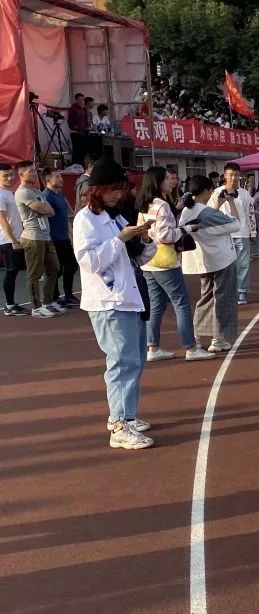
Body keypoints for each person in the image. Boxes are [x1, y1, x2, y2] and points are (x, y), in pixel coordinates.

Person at [73, 156, 157, 448]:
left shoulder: (116, 217)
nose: (119, 194)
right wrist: (120, 239)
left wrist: (144, 240)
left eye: (121, 189)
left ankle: (125, 417)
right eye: (114, 189)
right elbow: (89, 261)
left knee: (134, 360)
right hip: (108, 301)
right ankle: (120, 424)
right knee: (122, 362)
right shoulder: (86, 219)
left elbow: (137, 258)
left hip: (128, 298)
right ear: (98, 189)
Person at [136, 165, 213, 361]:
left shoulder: (144, 204)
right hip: (165, 260)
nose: (171, 182)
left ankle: (152, 347)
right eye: (167, 179)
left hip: (148, 260)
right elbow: (166, 236)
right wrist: (186, 229)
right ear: (158, 182)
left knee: (156, 304)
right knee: (181, 303)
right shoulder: (162, 205)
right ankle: (191, 347)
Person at [179, 175, 240, 353]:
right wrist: (231, 202)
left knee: (206, 298)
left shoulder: (187, 211)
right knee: (224, 298)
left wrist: (218, 205)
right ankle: (219, 339)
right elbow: (235, 224)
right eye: (211, 190)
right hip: (222, 259)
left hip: (203, 260)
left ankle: (197, 337)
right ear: (206, 191)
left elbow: (209, 222)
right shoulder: (206, 212)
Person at [15, 164, 64, 318]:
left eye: (35, 170)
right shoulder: (23, 192)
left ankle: (48, 302)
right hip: (33, 237)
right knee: (35, 273)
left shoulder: (37, 191)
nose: (34, 173)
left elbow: (51, 211)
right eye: (30, 171)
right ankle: (36, 307)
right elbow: (44, 209)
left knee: (54, 269)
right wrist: (44, 209)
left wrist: (44, 209)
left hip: (45, 236)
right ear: (21, 174)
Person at [210, 163, 255, 304]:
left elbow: (250, 214)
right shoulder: (217, 192)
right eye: (231, 175)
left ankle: (242, 291)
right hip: (223, 234)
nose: (234, 178)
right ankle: (225, 290)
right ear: (225, 175)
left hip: (241, 233)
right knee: (224, 264)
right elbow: (211, 212)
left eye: (236, 175)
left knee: (242, 264)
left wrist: (253, 232)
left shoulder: (245, 194)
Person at [41, 166, 80, 307]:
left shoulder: (60, 194)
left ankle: (68, 295)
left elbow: (66, 215)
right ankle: (54, 297)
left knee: (71, 265)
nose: (61, 179)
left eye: (61, 176)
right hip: (53, 238)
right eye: (57, 177)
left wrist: (71, 233)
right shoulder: (46, 196)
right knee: (55, 269)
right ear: (48, 179)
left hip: (64, 237)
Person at [0, 163, 29, 316]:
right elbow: (2, 220)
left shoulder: (9, 193)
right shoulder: (0, 195)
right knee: (11, 272)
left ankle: (10, 304)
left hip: (16, 239)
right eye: (5, 175)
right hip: (8, 241)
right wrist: (13, 240)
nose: (10, 178)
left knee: (14, 271)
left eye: (11, 175)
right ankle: (9, 305)